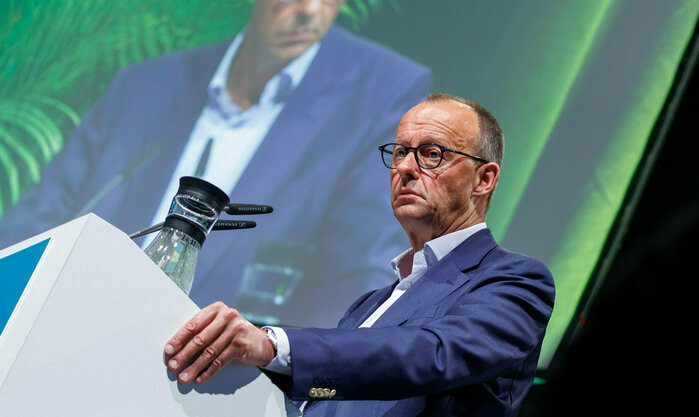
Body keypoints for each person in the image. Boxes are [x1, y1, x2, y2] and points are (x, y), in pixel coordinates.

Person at [0, 0, 432, 327]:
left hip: (223, 378)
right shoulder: (145, 85)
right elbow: (37, 221)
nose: (310, 10)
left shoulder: (380, 91)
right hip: (67, 331)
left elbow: (357, 272)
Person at [164, 94, 555, 416]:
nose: (404, 168)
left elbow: (432, 353)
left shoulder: (515, 280)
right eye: (400, 152)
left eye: (431, 153)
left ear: (484, 179)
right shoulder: (371, 303)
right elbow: (328, 387)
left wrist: (273, 344)